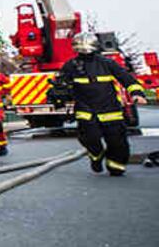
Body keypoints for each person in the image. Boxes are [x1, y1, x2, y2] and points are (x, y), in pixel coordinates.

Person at [53, 32, 148, 176]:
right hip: (86, 110)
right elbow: (60, 85)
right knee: (89, 138)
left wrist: (137, 94)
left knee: (117, 143)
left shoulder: (107, 63)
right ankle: (96, 155)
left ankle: (116, 166)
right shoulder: (70, 66)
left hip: (110, 110)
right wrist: (58, 94)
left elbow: (126, 79)